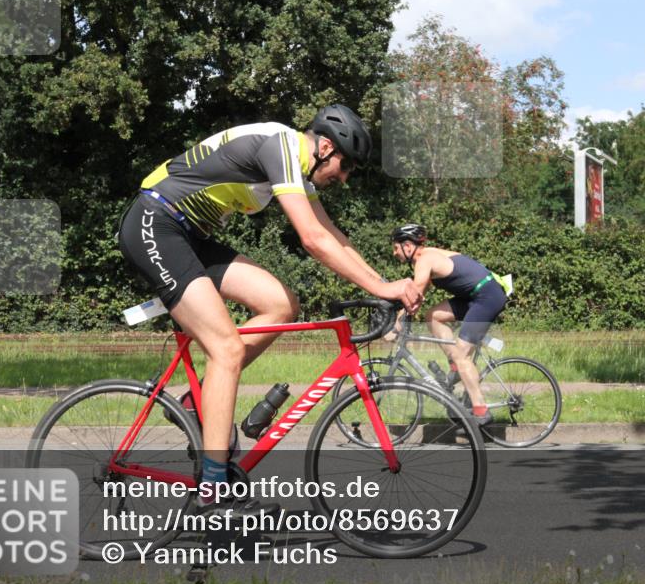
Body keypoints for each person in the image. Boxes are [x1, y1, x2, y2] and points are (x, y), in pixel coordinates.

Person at [117, 104, 421, 514]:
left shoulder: (296, 162)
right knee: (225, 349)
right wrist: (382, 285)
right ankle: (213, 489)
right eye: (345, 166)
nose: (344, 178)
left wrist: (384, 286)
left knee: (281, 304)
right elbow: (312, 239)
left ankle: (200, 399)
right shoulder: (280, 146)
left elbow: (334, 236)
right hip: (156, 221)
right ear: (326, 147)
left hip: (190, 235)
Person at [390, 224, 508, 426]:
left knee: (462, 355)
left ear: (408, 246)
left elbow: (415, 292)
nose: (394, 253)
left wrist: (395, 327)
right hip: (475, 296)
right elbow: (418, 300)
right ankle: (455, 366)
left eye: (395, 248)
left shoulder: (425, 259)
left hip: (487, 296)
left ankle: (480, 410)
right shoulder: (426, 257)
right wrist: (403, 317)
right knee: (433, 316)